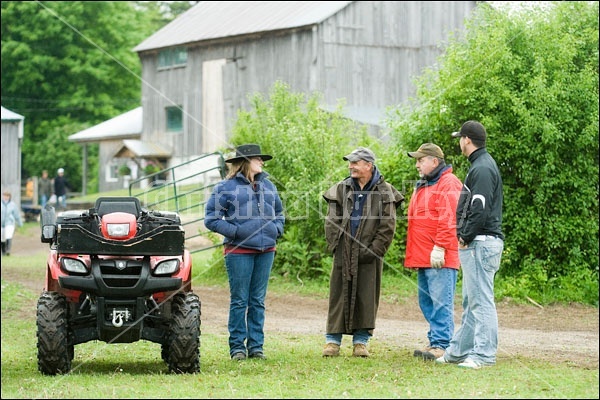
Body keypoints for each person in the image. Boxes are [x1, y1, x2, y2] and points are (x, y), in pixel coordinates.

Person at [204, 144, 285, 361]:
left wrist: (276, 230)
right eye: (258, 159)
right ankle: (237, 347)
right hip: (238, 251)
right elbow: (211, 219)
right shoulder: (225, 188)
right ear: (246, 161)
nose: (262, 162)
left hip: (266, 249)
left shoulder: (269, 186)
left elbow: (279, 212)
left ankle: (256, 347)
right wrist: (236, 232)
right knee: (240, 300)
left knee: (257, 300)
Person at [322, 147, 404, 357]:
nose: (351, 166)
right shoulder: (340, 189)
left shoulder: (385, 191)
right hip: (344, 252)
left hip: (370, 254)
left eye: (355, 163)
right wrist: (338, 248)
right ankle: (332, 342)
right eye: (350, 163)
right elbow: (331, 222)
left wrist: (374, 251)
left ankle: (361, 343)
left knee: (366, 296)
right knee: (338, 294)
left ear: (368, 165)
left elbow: (388, 226)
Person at [435, 120, 504, 370]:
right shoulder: (480, 165)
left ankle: (484, 355)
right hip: (479, 242)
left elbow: (480, 209)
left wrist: (464, 235)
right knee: (471, 301)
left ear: (467, 139)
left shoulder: (482, 168)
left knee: (481, 301)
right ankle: (458, 352)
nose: (459, 142)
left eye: (460, 138)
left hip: (480, 243)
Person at [404, 143, 463, 361]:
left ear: (434, 161)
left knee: (441, 302)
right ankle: (435, 340)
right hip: (424, 255)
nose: (417, 164)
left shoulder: (448, 183)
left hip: (439, 256)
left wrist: (440, 246)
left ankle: (442, 344)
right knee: (427, 301)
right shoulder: (427, 184)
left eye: (421, 160)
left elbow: (450, 219)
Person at [1, 191, 23, 256]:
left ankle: (8, 250)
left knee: (8, 235)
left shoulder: (12, 205)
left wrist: (20, 223)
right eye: (4, 196)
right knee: (2, 238)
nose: (5, 197)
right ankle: (3, 251)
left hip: (9, 223)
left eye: (7, 196)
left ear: (9, 197)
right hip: (1, 223)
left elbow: (16, 214)